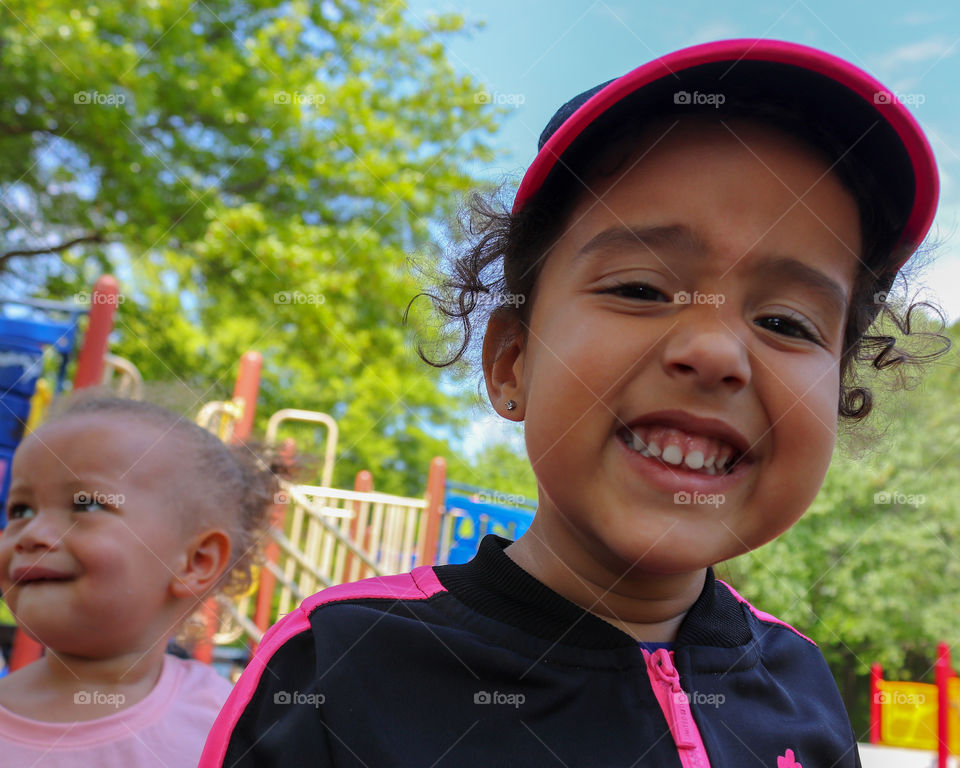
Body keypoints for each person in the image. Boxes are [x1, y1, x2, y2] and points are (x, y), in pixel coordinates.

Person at [199, 39, 949, 767]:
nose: (717, 353)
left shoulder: (802, 686)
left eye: (786, 323)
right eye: (640, 289)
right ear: (512, 361)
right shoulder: (337, 669)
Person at [0, 394, 275, 766]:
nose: (32, 532)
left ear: (196, 562)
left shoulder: (226, 724)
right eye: (20, 509)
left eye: (86, 505)